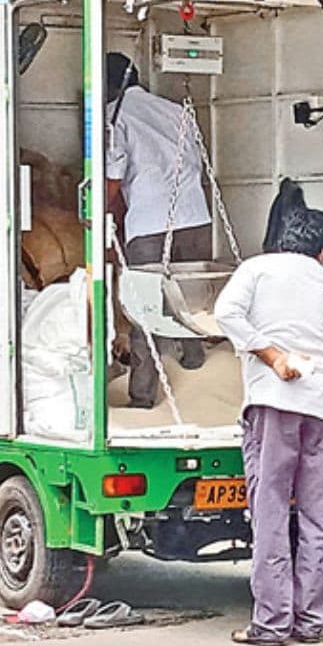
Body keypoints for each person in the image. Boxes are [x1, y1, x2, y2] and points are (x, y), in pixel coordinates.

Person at [214, 206, 323, 646]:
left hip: (274, 404)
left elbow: (225, 313)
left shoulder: (257, 269)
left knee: (269, 511)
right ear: (322, 251)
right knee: (317, 515)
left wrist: (269, 355)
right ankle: (309, 621)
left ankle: (270, 623)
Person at [105, 52, 213, 408]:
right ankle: (198, 371)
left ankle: (142, 398)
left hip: (150, 224)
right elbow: (197, 162)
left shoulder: (115, 115)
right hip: (195, 217)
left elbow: (114, 179)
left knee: (144, 310)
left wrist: (99, 218)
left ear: (108, 86)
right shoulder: (176, 111)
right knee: (192, 303)